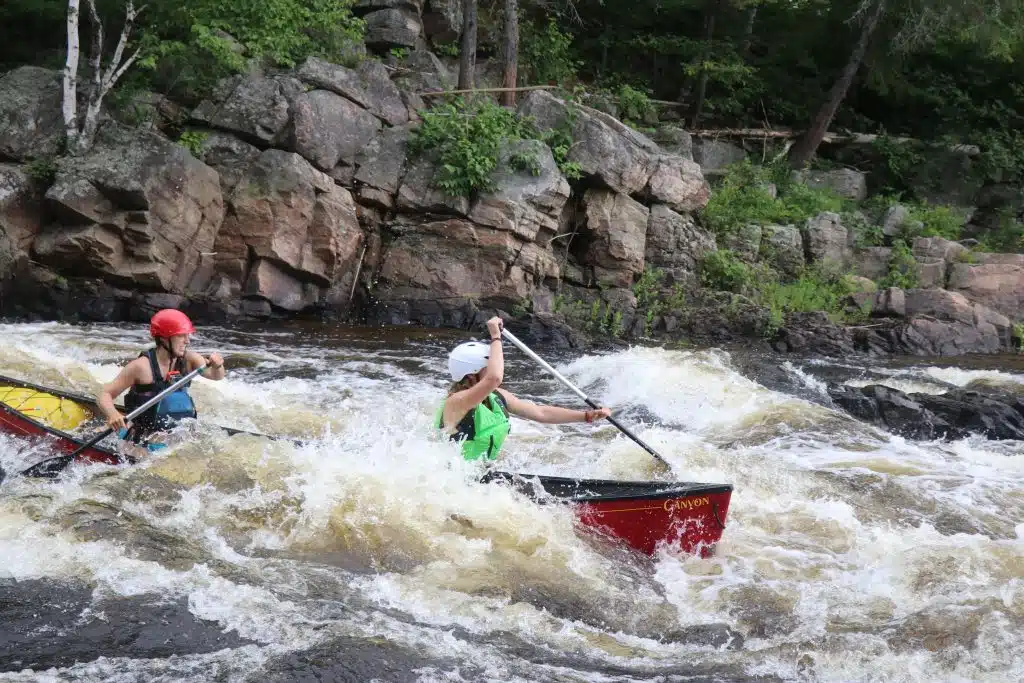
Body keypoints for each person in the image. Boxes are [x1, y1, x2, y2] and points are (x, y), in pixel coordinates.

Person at [438, 316, 612, 461]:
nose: (495, 366)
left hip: (483, 477)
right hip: (458, 481)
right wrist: (496, 337)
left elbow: (541, 413)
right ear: (471, 374)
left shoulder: (497, 396)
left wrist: (586, 416)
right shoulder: (457, 402)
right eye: (488, 365)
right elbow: (495, 378)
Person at [96, 309, 226, 453]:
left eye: (187, 335)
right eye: (181, 335)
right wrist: (113, 414)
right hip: (141, 441)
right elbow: (105, 394)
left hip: (176, 436)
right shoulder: (141, 367)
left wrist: (218, 365)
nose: (187, 341)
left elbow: (216, 375)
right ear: (164, 337)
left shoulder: (189, 360)